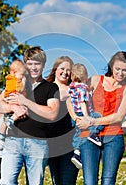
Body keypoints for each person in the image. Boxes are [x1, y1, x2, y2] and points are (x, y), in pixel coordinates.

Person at [67, 51, 126, 184]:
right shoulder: (96, 79)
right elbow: (72, 99)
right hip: (89, 135)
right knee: (89, 181)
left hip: (113, 137)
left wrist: (91, 121)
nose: (120, 73)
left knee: (108, 181)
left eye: (124, 70)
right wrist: (77, 119)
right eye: (117, 69)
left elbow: (119, 116)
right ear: (111, 67)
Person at [0, 46, 60, 185]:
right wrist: (13, 107)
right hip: (13, 140)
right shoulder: (16, 82)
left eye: (37, 63)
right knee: (6, 182)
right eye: (30, 63)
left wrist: (25, 102)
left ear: (43, 65)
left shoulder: (51, 88)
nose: (34, 67)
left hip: (38, 142)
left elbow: (52, 113)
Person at [45, 56, 79, 185]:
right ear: (55, 69)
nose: (65, 72)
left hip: (70, 143)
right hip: (51, 143)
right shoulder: (46, 88)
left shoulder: (75, 89)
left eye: (69, 70)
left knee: (68, 181)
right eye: (62, 68)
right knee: (56, 181)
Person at [68, 63, 104, 169]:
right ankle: (93, 134)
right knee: (98, 117)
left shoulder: (72, 87)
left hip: (75, 115)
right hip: (83, 113)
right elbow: (83, 102)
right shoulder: (82, 88)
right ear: (85, 76)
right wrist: (87, 116)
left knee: (78, 133)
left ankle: (76, 152)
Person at [0, 59, 27, 140]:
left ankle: (2, 131)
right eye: (22, 74)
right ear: (14, 73)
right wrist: (24, 82)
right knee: (23, 109)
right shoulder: (16, 82)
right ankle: (11, 120)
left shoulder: (9, 80)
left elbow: (2, 96)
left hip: (8, 99)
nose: (23, 77)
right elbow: (20, 90)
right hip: (14, 101)